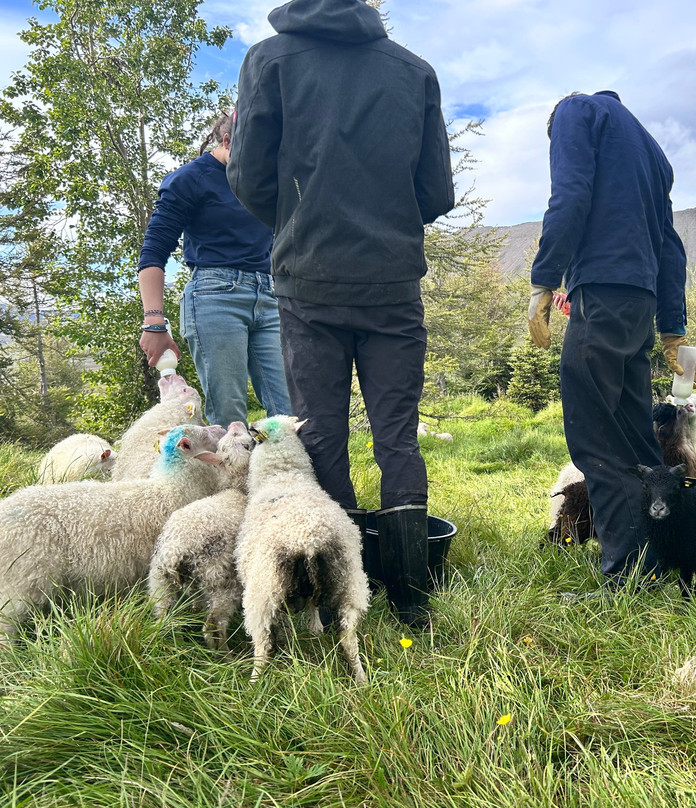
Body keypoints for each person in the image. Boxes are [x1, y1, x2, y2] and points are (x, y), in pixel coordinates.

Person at [227, 0, 454, 625]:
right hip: (392, 282)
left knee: (320, 434)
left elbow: (246, 175)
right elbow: (437, 191)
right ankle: (411, 598)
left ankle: (336, 596)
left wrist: (301, 221)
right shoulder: (415, 71)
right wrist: (387, 222)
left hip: (308, 281)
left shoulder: (269, 60)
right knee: (397, 436)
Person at [528, 90, 696, 587]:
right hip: (638, 303)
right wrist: (672, 328)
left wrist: (544, 280)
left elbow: (570, 195)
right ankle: (662, 559)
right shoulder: (652, 151)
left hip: (599, 295)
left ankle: (626, 576)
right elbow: (670, 245)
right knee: (636, 437)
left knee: (596, 438)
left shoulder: (575, 112)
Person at [138, 112, 291, 428]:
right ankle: (232, 478)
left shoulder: (264, 182)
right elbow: (154, 251)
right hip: (216, 296)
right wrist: (154, 321)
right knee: (229, 416)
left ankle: (285, 477)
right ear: (226, 141)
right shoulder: (190, 179)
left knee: (290, 411)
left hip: (269, 295)